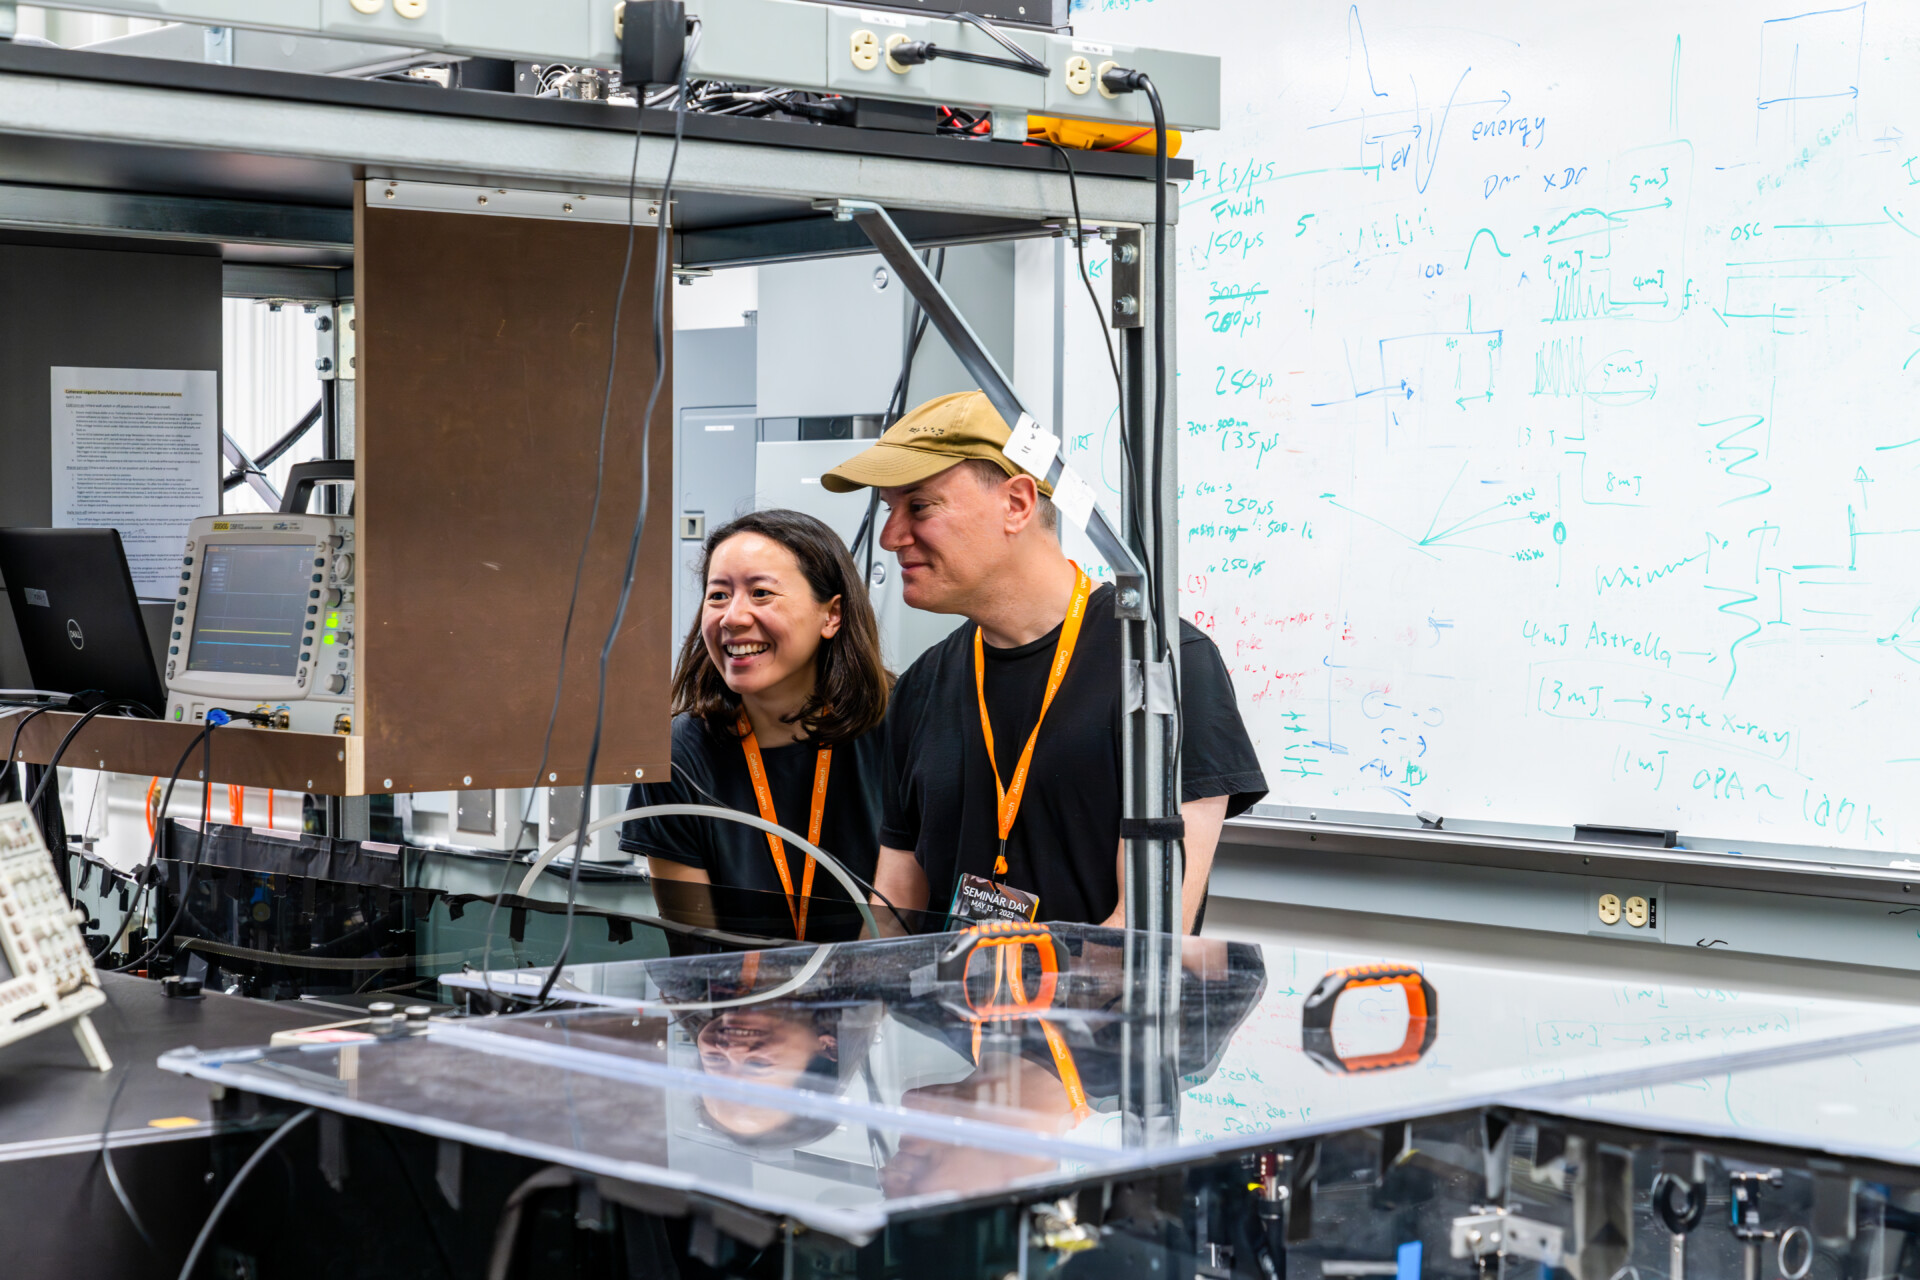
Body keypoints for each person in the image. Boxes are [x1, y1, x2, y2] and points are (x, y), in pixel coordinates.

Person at [821, 390, 1267, 933]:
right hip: (951, 1016)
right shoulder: (922, 686)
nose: (891, 537)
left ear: (1017, 504)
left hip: (1099, 1017)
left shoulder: (1161, 666)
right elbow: (895, 907)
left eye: (919, 506)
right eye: (890, 510)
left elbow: (1148, 928)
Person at [619, 510, 891, 941]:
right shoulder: (679, 756)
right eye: (718, 595)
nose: (732, 617)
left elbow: (906, 926)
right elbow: (698, 951)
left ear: (832, 615)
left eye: (761, 593)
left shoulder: (898, 730)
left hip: (875, 998)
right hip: (739, 1002)